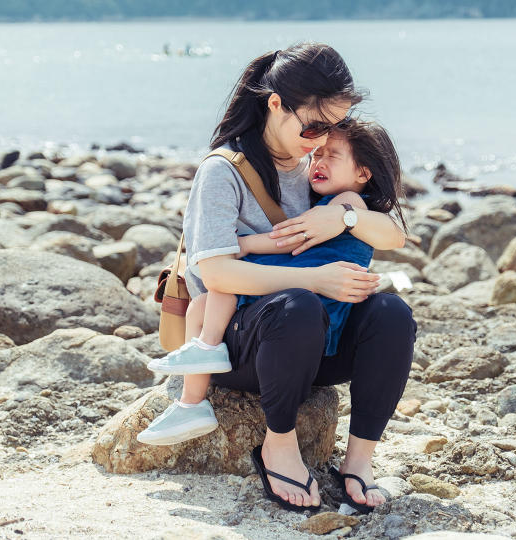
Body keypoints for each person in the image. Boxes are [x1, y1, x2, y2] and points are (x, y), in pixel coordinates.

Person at [137, 43, 416, 513]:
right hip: (240, 347)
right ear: (274, 104)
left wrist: (343, 220)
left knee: (392, 312)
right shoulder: (223, 173)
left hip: (311, 346)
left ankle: (358, 460)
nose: (319, 141)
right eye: (313, 126)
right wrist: (318, 280)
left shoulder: (314, 169)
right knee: (298, 305)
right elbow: (216, 270)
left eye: (331, 128)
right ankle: (278, 445)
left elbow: (392, 236)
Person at [141, 118, 403, 445]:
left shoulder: (343, 205)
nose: (317, 162)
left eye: (331, 156)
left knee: (221, 289)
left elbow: (291, 238)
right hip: (305, 299)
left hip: (311, 307)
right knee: (204, 304)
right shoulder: (330, 201)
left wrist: (246, 243)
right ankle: (193, 397)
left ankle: (197, 382)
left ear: (363, 173)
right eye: (316, 155)